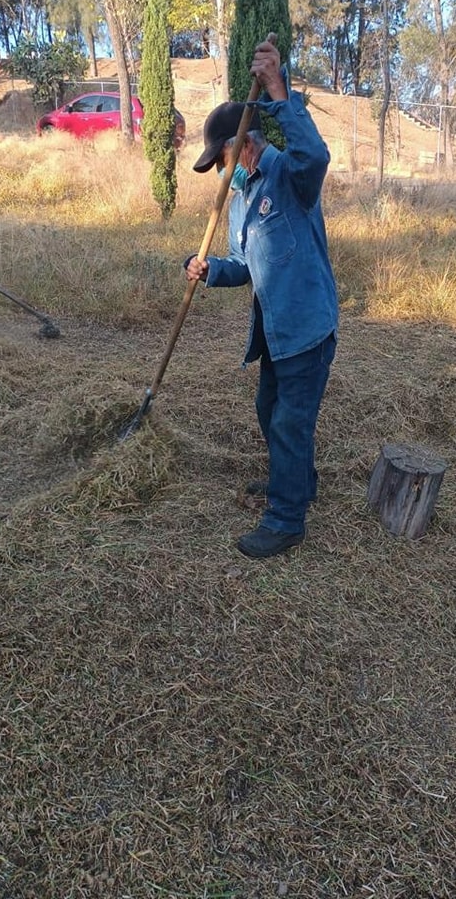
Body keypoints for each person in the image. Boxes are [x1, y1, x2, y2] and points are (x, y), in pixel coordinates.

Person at [186, 38, 338, 559]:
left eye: (222, 158)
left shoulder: (289, 177)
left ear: (245, 144)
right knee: (269, 407)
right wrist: (209, 270)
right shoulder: (241, 200)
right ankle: (297, 479)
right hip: (273, 332)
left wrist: (278, 89)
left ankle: (285, 517)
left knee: (290, 420)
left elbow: (316, 153)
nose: (221, 172)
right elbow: (245, 268)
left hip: (306, 328)